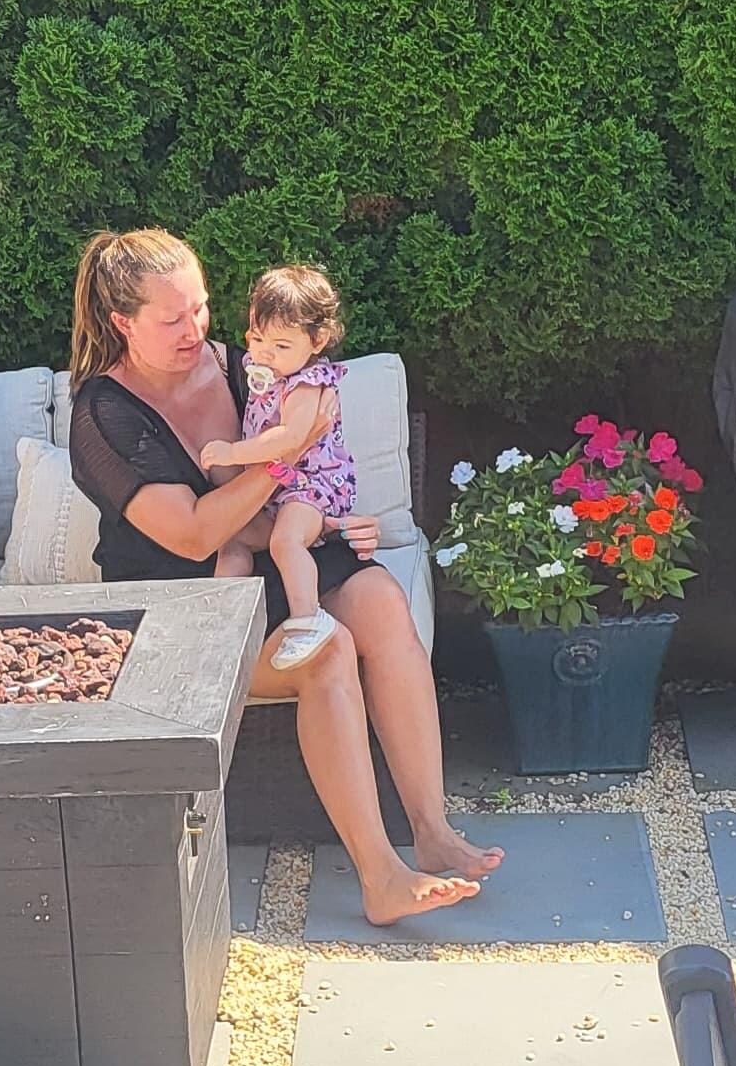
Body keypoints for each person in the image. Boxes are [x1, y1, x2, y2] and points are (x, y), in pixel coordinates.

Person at [66, 227, 502, 926]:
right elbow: (195, 531)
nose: (195, 329)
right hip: (188, 606)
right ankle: (380, 875)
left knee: (383, 602)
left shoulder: (247, 368)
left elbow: (289, 490)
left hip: (271, 560)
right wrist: (282, 457)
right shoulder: (102, 415)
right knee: (325, 644)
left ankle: (431, 829)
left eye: (201, 308)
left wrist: (327, 523)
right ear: (123, 323)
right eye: (172, 318)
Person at [198, 262, 359, 672]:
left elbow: (291, 438)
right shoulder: (268, 372)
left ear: (317, 340)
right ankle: (215, 623)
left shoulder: (307, 383)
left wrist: (234, 454)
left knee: (285, 542)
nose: (266, 353)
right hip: (278, 489)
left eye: (282, 346)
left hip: (312, 488)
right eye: (258, 339)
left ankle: (308, 620)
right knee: (231, 540)